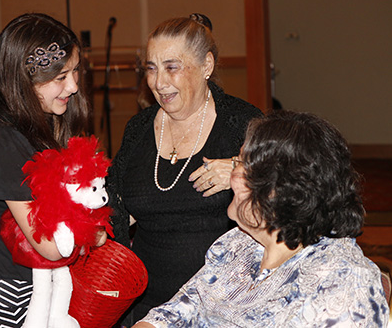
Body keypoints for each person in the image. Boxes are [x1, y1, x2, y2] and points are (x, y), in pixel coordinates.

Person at [133, 110, 390, 327]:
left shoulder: (343, 283)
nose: (232, 175)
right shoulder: (239, 244)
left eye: (241, 163)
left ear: (278, 190)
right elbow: (182, 308)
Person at [0, 13, 106, 327]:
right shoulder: (1, 139)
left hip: (22, 289)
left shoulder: (26, 126)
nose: (73, 86)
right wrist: (96, 234)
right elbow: (48, 244)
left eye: (75, 72)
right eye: (60, 77)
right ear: (23, 79)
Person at [107, 14, 262, 324]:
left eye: (172, 67)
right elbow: (113, 207)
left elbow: (289, 191)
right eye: (151, 69)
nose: (159, 82)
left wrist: (242, 170)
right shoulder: (138, 129)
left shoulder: (241, 123)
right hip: (145, 307)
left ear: (206, 66)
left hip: (222, 305)